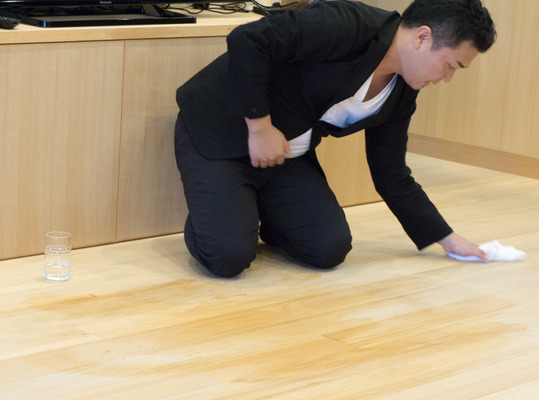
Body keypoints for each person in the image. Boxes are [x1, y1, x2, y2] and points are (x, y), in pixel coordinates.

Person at [174, 0, 497, 278]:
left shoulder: (401, 92)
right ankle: (219, 219)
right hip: (221, 135)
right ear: (422, 37)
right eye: (450, 65)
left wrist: (447, 238)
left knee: (329, 248)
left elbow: (391, 173)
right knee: (228, 256)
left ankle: (247, 213)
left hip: (285, 159)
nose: (447, 78)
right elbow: (248, 39)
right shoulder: (350, 24)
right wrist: (260, 127)